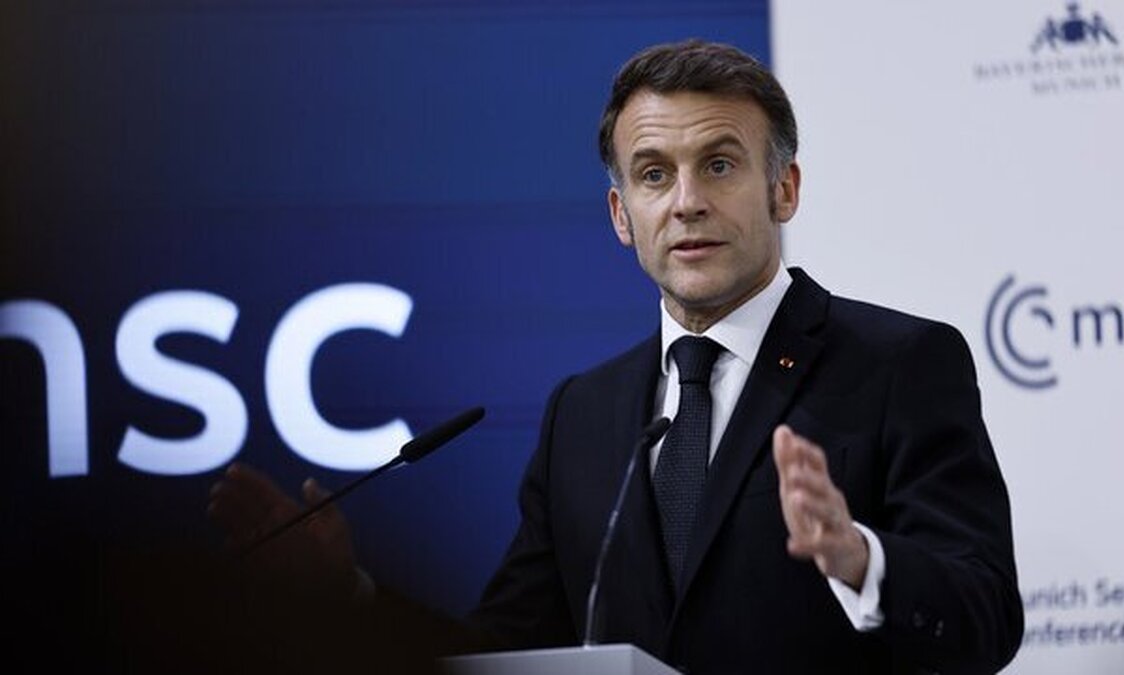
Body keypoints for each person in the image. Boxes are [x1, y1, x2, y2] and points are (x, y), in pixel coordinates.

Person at [209, 40, 1023, 674]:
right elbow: (505, 650)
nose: (687, 202)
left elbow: (986, 617)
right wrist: (348, 595)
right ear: (621, 215)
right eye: (654, 174)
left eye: (719, 164)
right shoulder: (584, 413)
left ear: (785, 189)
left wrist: (860, 558)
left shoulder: (898, 363)